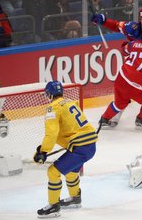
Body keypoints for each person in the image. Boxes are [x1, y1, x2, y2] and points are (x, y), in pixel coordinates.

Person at [92, 7, 142, 123]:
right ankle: (124, 111)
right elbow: (117, 26)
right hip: (138, 62)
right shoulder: (132, 27)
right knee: (130, 89)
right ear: (139, 19)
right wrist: (104, 20)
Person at [33, 81, 98, 218]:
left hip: (80, 147)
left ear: (49, 94)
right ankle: (75, 198)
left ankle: (53, 206)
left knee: (53, 172)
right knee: (70, 172)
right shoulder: (70, 102)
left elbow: (51, 134)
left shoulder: (53, 108)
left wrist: (43, 151)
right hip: (90, 145)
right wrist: (43, 149)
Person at [99, 27, 142, 129]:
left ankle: (104, 119)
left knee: (120, 104)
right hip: (135, 85)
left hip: (121, 78)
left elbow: (124, 51)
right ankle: (140, 120)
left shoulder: (133, 43)